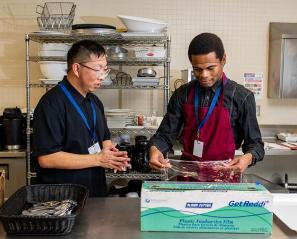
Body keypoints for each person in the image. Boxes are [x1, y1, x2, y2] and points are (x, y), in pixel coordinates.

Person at [149, 33, 264, 181]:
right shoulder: (182, 95)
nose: (204, 75)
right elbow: (164, 136)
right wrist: (155, 150)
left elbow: (255, 145)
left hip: (225, 178)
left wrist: (247, 158)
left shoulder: (241, 97)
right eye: (197, 69)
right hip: (188, 178)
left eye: (211, 68)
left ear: (223, 60)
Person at [33, 40, 130, 197]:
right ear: (76, 68)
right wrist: (98, 159)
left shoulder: (95, 102)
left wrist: (111, 154)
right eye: (97, 69)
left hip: (95, 191)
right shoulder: (51, 103)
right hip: (64, 198)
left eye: (105, 70)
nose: (102, 77)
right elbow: (47, 158)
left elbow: (104, 137)